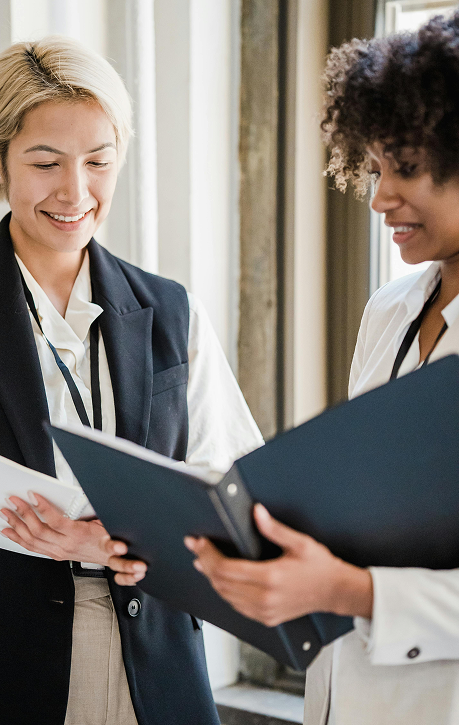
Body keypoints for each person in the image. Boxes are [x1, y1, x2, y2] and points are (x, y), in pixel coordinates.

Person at [0, 37, 264, 725]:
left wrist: (125, 544)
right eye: (46, 162)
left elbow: (237, 508)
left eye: (99, 161)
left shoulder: (172, 312)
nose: (76, 191)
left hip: (152, 666)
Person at [108, 11, 459, 725]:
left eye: (407, 168)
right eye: (373, 166)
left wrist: (351, 590)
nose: (379, 197)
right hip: (344, 693)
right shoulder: (392, 309)